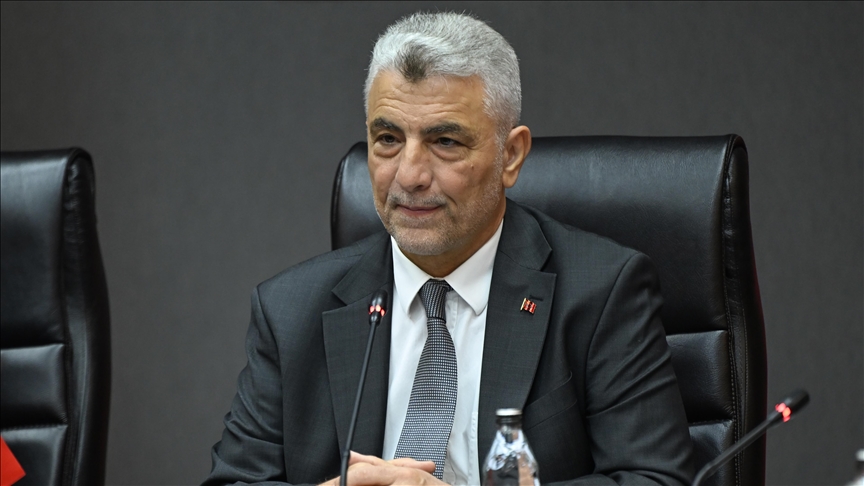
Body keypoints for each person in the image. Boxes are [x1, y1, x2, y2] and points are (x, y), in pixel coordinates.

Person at [205, 12, 693, 486]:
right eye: (388, 139)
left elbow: (655, 478)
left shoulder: (601, 294)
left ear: (511, 155)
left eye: (445, 141)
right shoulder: (291, 311)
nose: (410, 175)